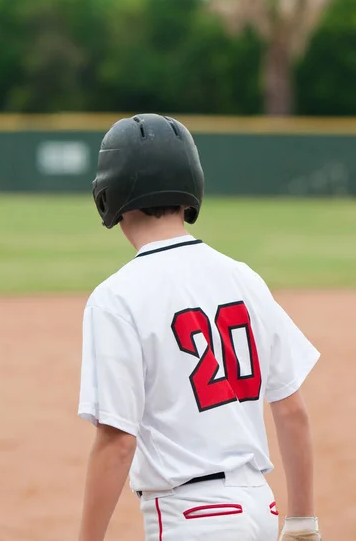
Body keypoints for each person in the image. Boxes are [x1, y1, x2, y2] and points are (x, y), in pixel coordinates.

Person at [78, 114, 321, 541]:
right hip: (260, 507)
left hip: (188, 519)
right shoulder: (242, 277)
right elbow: (291, 408)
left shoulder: (116, 298)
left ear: (109, 193)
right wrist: (302, 519)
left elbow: (117, 442)